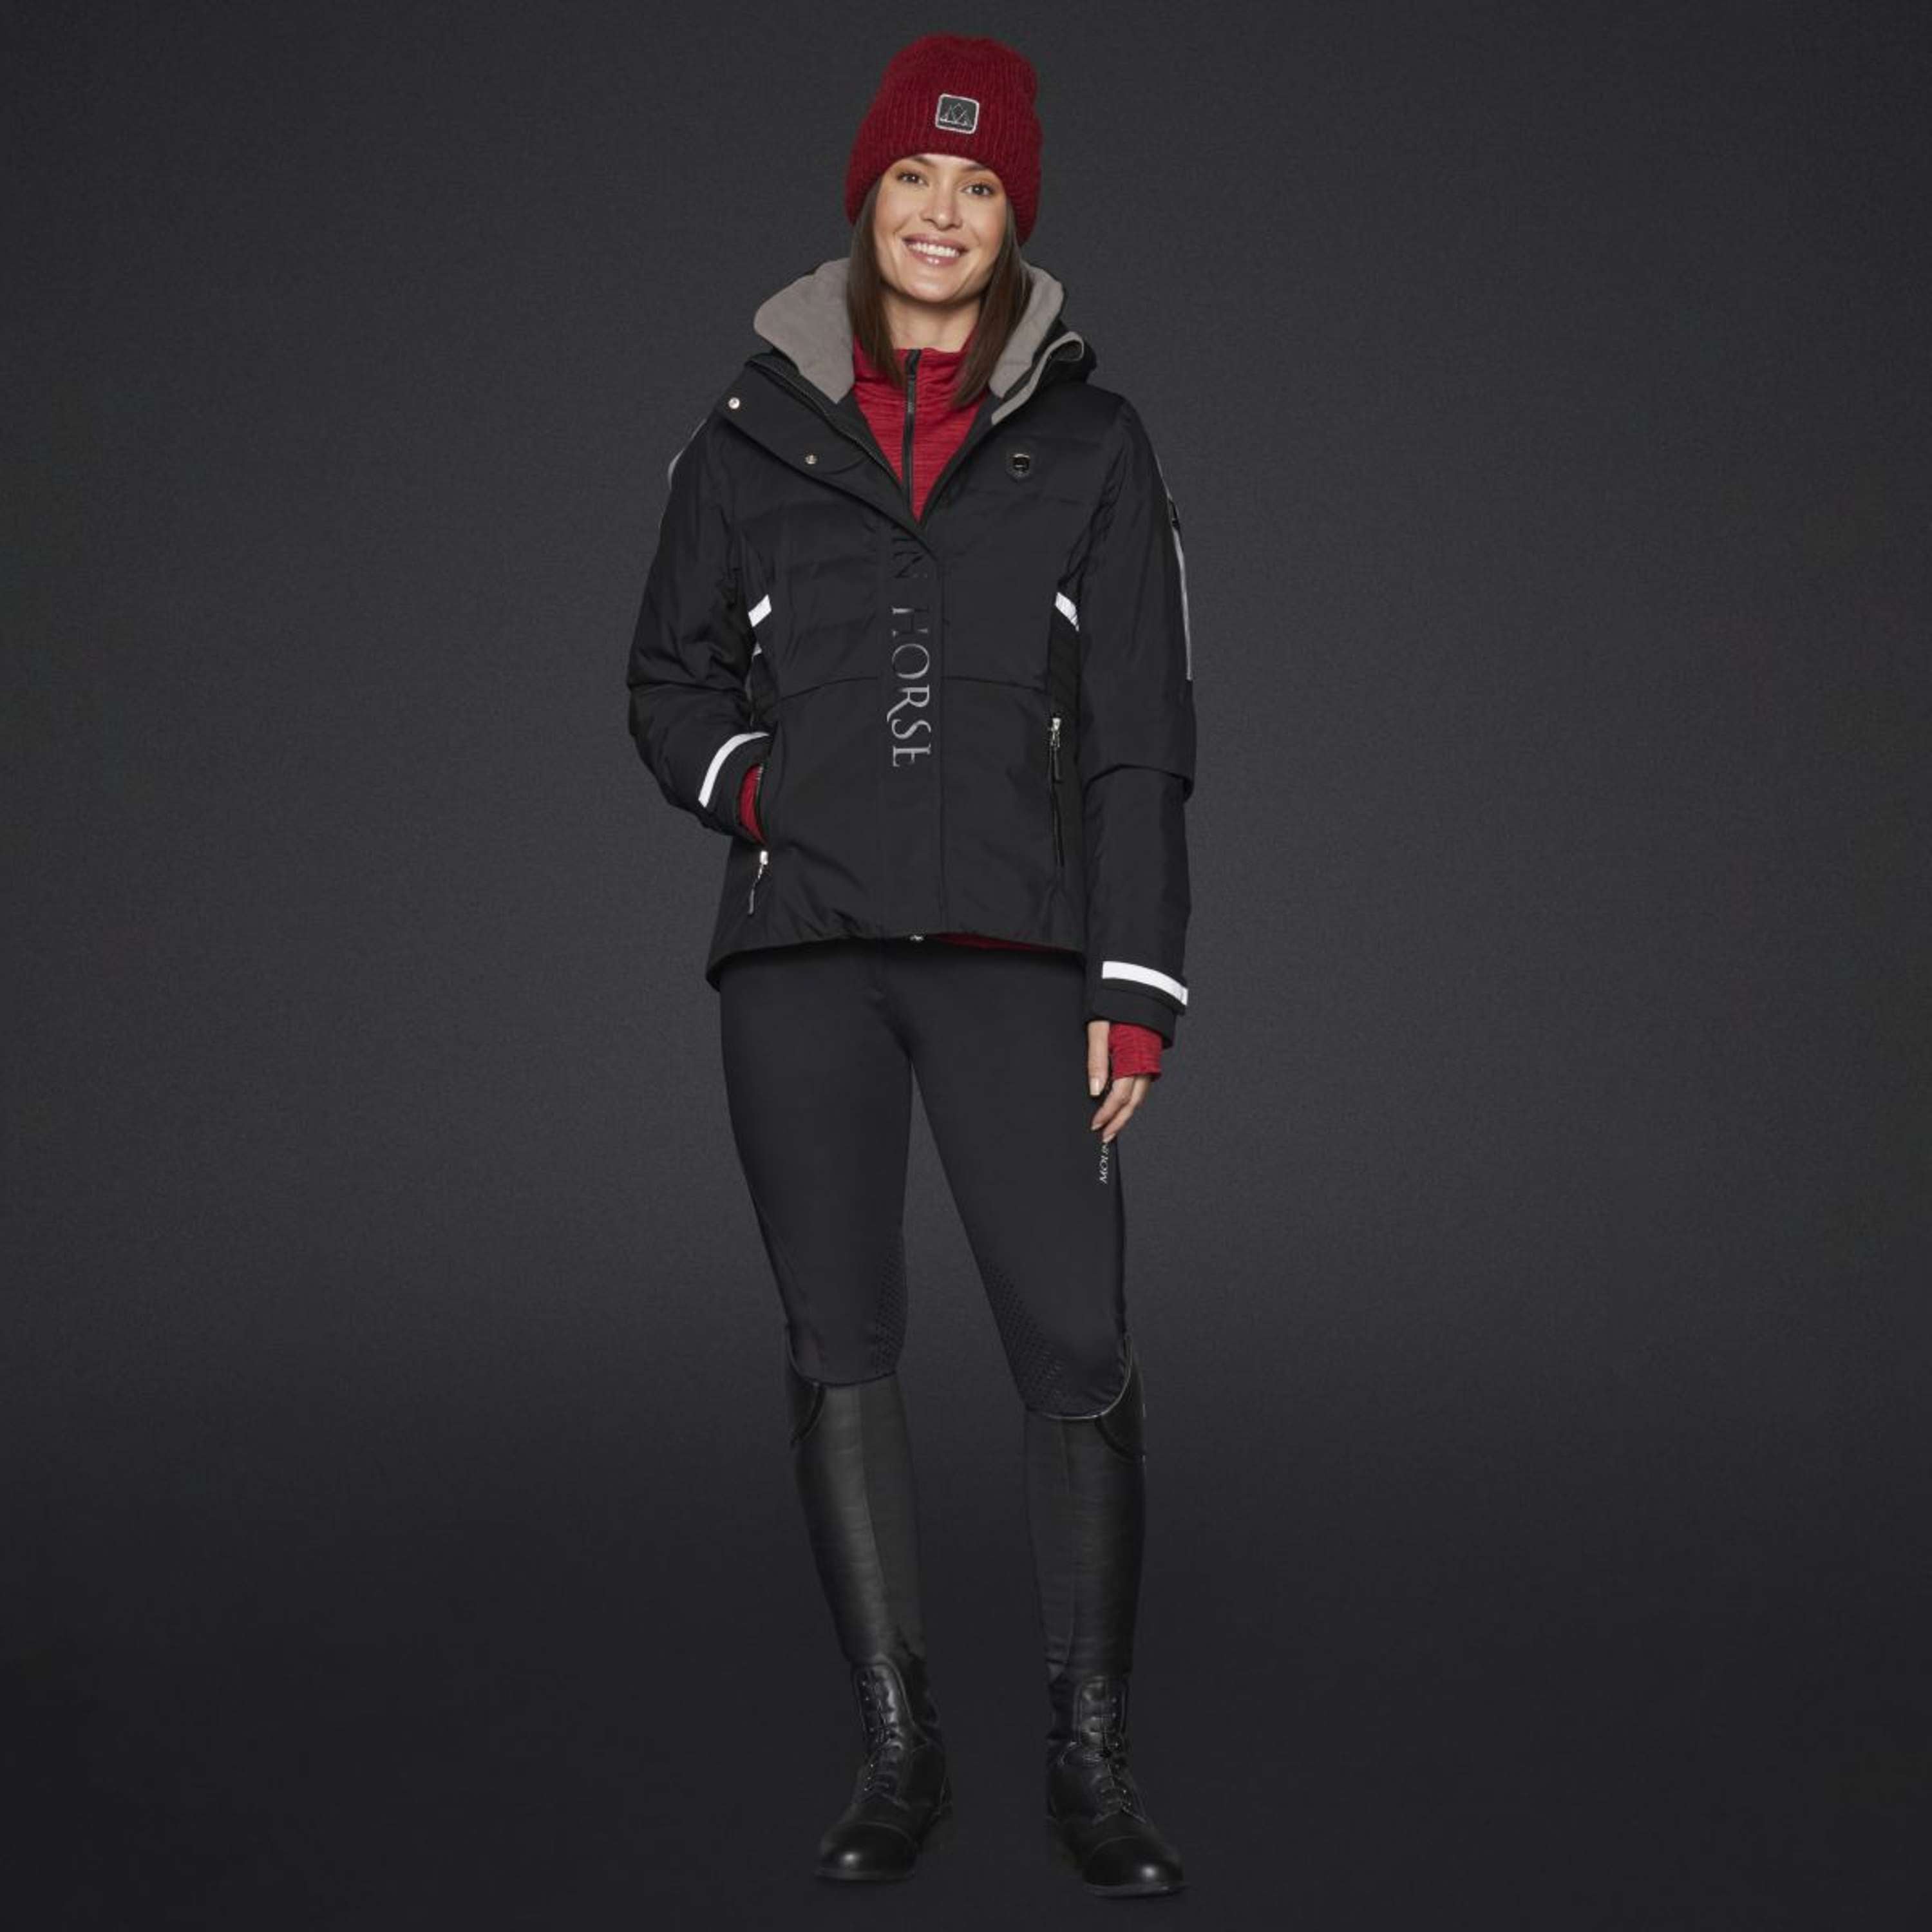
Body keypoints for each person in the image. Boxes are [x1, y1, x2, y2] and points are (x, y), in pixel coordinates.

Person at [625, 33, 1196, 1899]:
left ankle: (1091, 1759)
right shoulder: (746, 434)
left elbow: (1142, 737)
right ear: (866, 198)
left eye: (980, 186)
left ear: (1014, 217)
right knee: (838, 1340)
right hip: (800, 958)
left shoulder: (1095, 446)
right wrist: (764, 790)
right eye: (912, 180)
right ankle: (897, 1747)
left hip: (1021, 954)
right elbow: (666, 680)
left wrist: (1136, 987)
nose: (942, 214)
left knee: (1076, 1340)